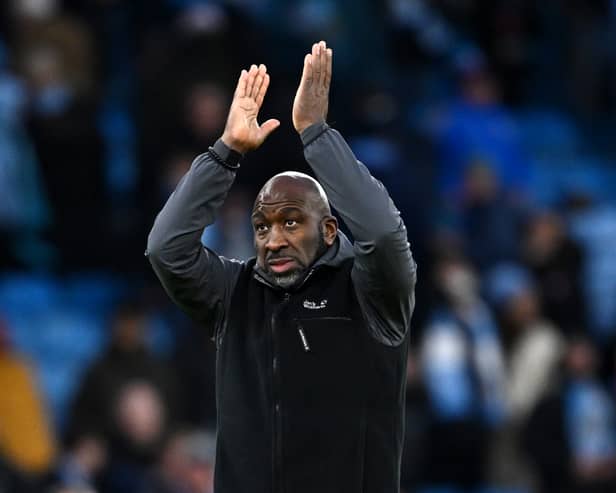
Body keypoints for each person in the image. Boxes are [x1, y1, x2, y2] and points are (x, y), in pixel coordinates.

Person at [147, 40, 417, 493]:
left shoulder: (370, 293)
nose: (273, 240)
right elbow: (166, 250)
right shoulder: (235, 294)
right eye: (261, 226)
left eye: (290, 221)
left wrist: (315, 133)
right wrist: (226, 151)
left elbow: (384, 235)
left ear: (330, 230)